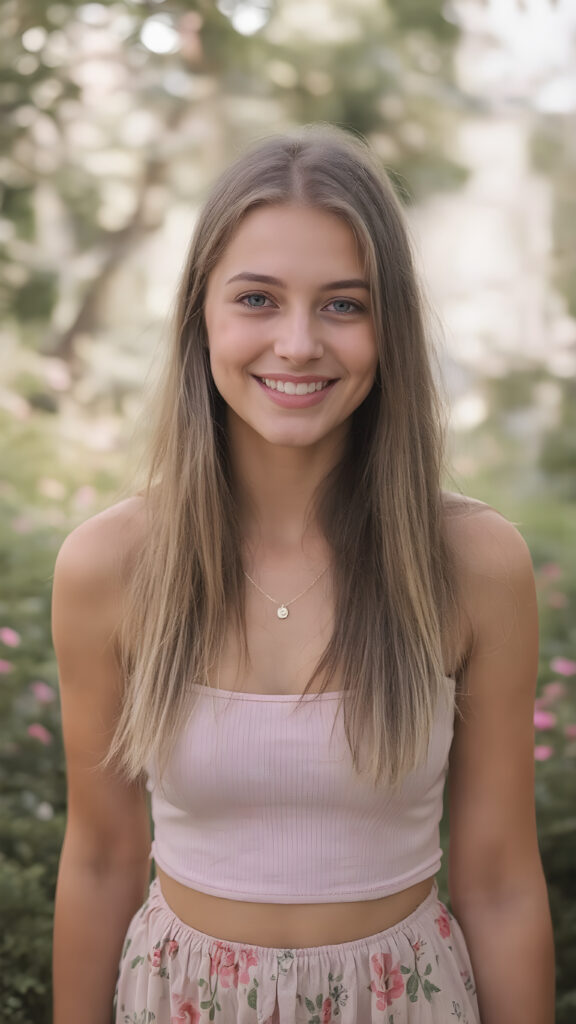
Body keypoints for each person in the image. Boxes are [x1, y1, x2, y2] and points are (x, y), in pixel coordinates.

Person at [51, 125, 555, 1024]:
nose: (296, 343)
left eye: (343, 305)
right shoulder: (110, 565)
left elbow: (500, 880)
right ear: (200, 315)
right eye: (257, 298)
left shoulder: (474, 563)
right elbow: (100, 861)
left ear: (389, 328)